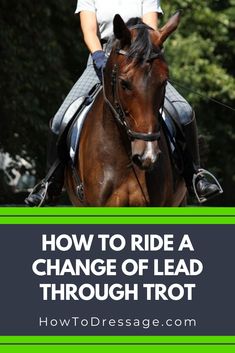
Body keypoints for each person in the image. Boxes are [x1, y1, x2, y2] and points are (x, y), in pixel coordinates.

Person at [25, 0, 221, 206]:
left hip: (139, 62)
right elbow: (90, 31)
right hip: (102, 59)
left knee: (184, 111)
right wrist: (99, 57)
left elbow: (150, 30)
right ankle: (51, 184)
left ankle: (195, 176)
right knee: (60, 119)